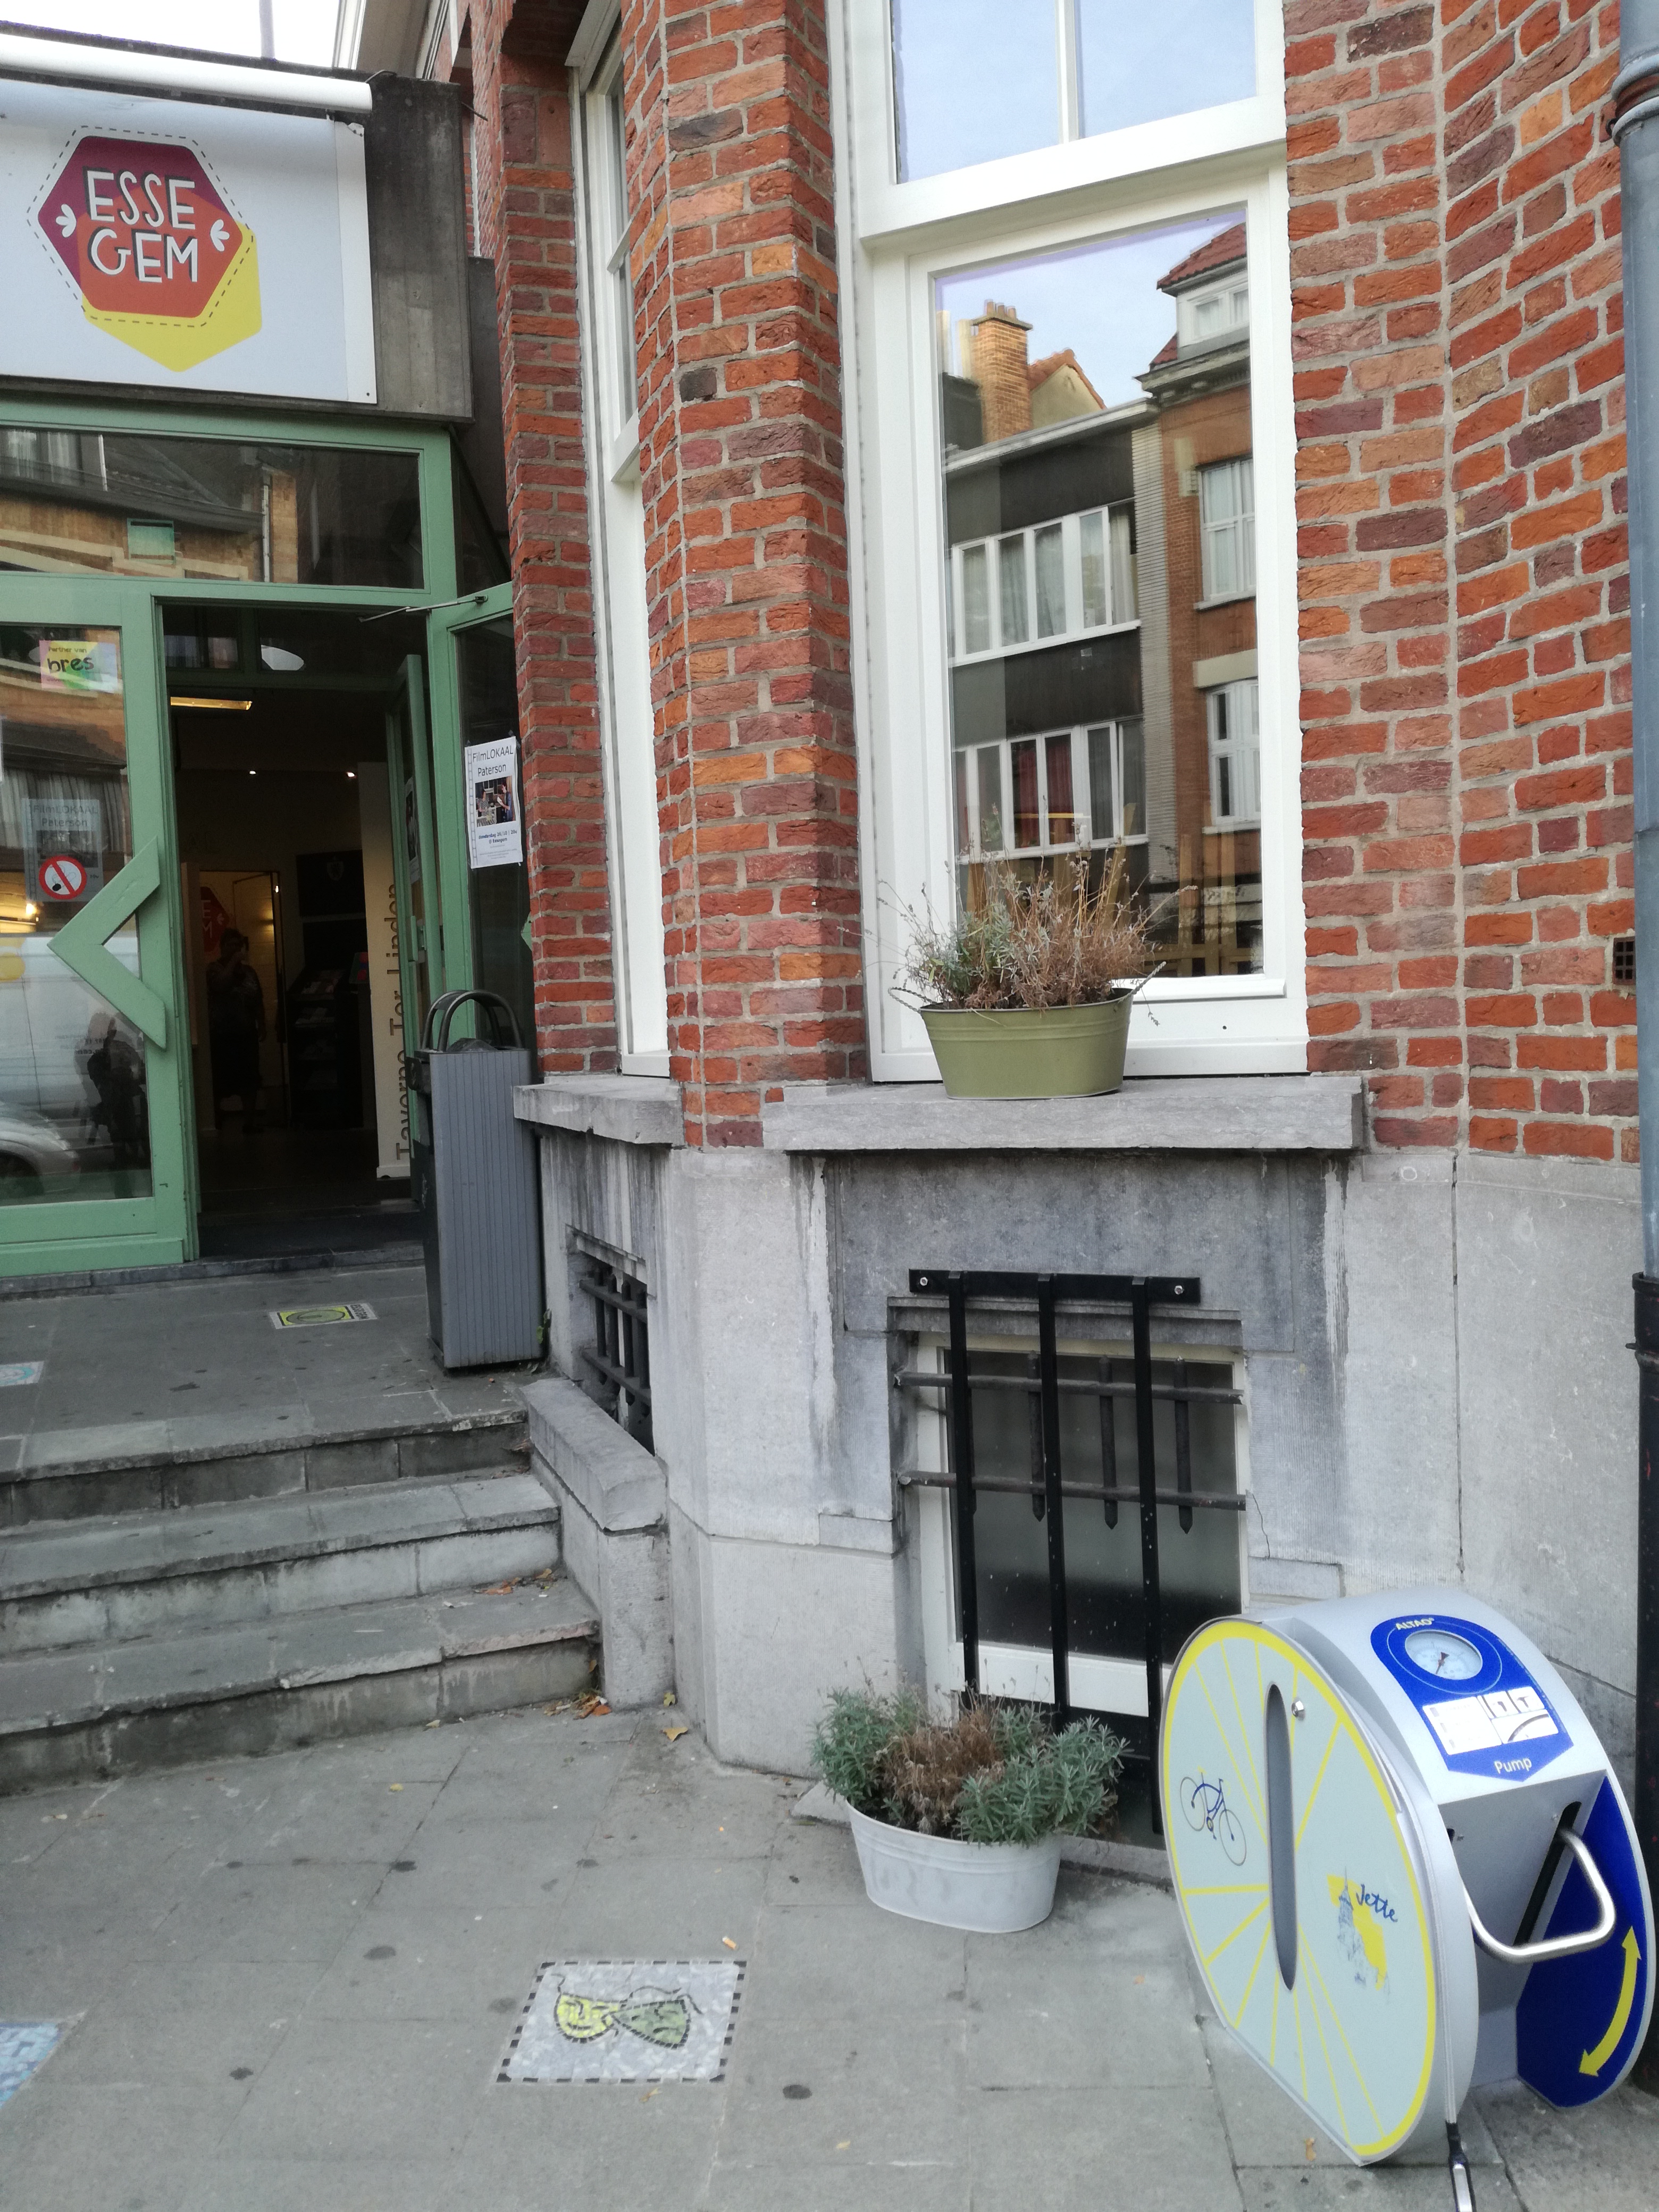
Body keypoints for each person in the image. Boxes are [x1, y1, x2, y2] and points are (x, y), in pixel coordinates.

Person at [206, 926, 266, 1132]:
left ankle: (250, 1122)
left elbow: (258, 999)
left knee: (250, 1079)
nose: (235, 949)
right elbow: (220, 985)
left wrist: (262, 1023)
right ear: (222, 947)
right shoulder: (213, 969)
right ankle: (216, 1119)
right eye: (231, 945)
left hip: (246, 1034)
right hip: (222, 1034)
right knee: (220, 1079)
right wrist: (232, 962)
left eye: (238, 945)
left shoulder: (250, 972)